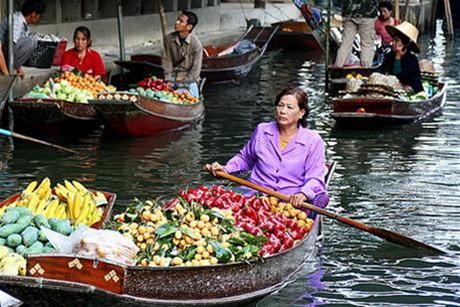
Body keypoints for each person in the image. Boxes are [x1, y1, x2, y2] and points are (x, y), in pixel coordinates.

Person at [205, 86, 329, 212]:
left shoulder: (313, 141)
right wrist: (226, 169)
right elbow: (245, 158)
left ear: (301, 113)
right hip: (255, 196)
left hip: (288, 202)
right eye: (280, 105)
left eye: (289, 107)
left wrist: (303, 194)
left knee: (318, 200)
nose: (283, 111)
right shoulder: (262, 131)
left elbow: (315, 178)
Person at [0, 0, 46, 77]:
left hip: (5, 53)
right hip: (2, 53)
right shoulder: (17, 22)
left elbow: (17, 47)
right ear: (34, 14)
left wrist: (18, 69)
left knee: (30, 40)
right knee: (32, 41)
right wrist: (6, 74)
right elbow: (10, 48)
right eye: (39, 16)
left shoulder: (22, 22)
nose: (39, 19)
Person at [162, 10, 202, 97]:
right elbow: (167, 61)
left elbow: (195, 71)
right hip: (172, 78)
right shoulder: (168, 39)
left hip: (189, 80)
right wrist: (169, 80)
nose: (176, 22)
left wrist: (182, 83)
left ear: (189, 27)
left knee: (186, 96)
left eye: (181, 21)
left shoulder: (196, 45)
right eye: (178, 19)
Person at [380, 21, 423, 93]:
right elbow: (382, 70)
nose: (393, 43)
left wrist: (398, 58)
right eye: (393, 40)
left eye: (397, 41)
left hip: (411, 90)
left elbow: (401, 77)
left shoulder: (412, 60)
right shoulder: (390, 55)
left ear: (405, 44)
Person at [334, 0, 379, 67]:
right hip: (368, 12)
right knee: (367, 44)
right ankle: (365, 68)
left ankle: (338, 66)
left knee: (346, 43)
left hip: (349, 12)